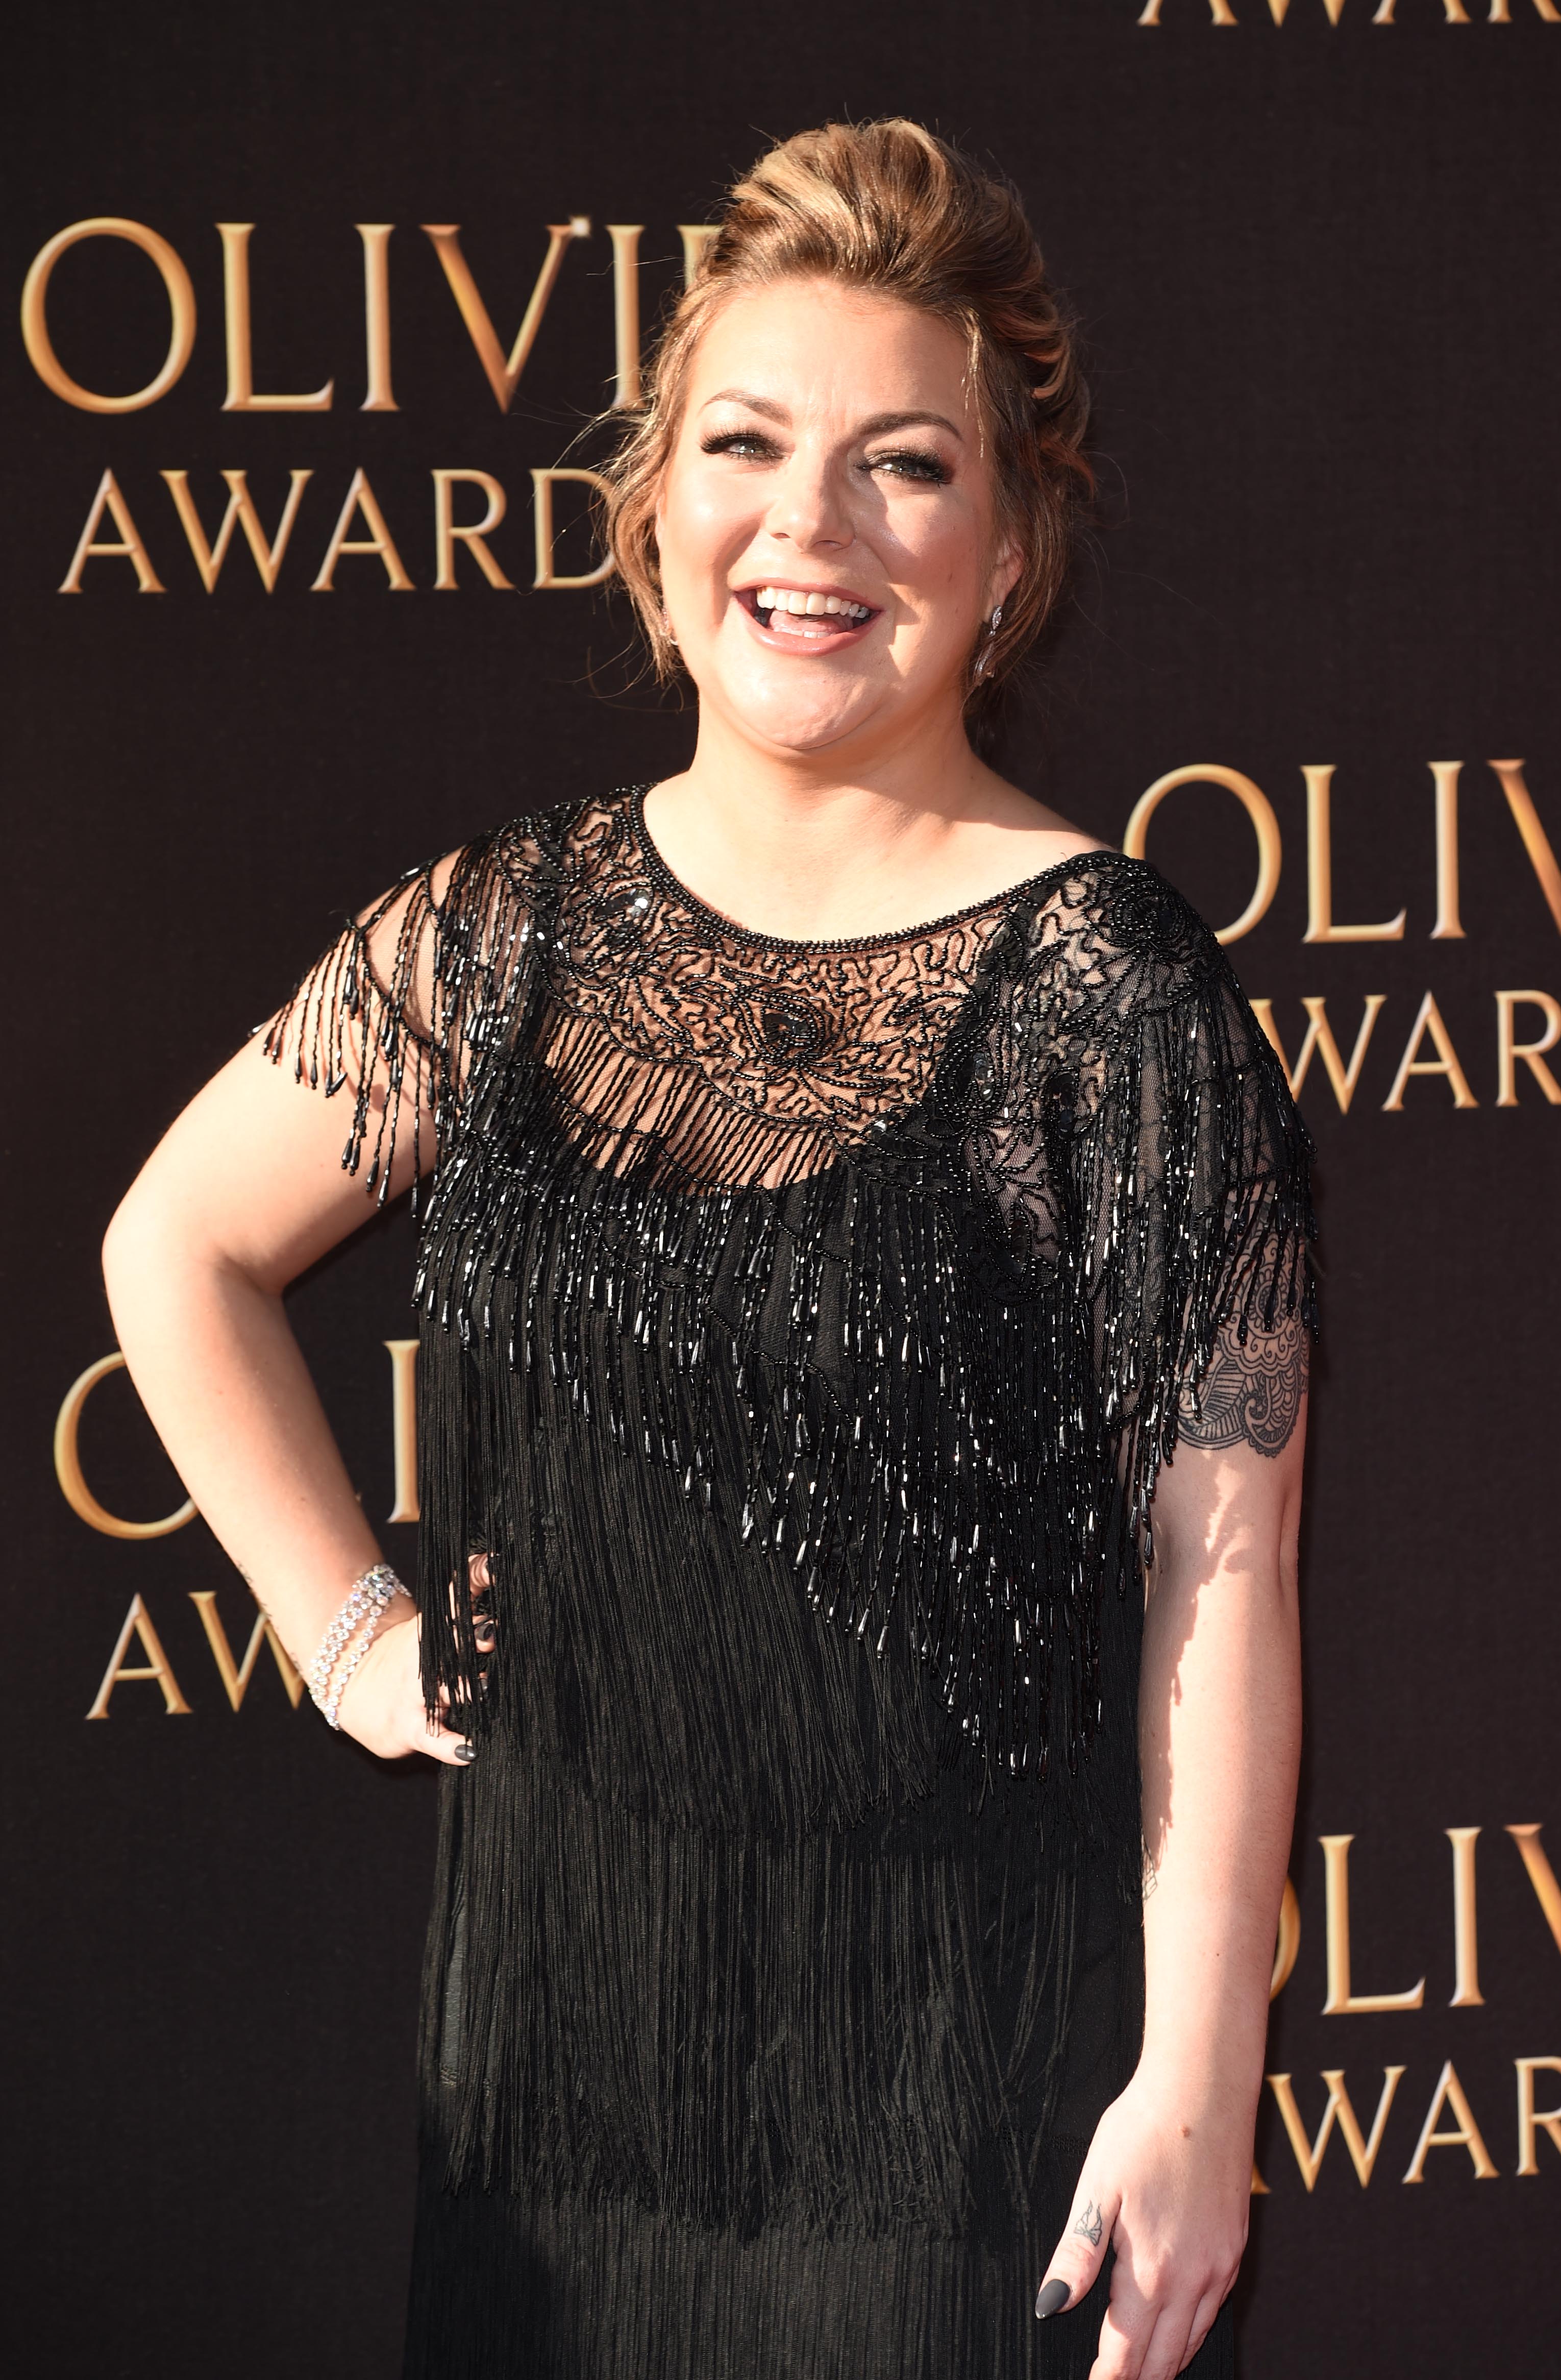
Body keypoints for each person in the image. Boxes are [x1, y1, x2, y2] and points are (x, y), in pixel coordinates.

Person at [104, 119, 1312, 2380]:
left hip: (970, 2103)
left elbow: (1220, 1570)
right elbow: (177, 1243)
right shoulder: (506, 934)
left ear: (1013, 541)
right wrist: (350, 1628)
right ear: (656, 500)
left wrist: (1198, 2084)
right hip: (558, 2082)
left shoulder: (1107, 987)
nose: (815, 528)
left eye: (907, 466)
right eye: (749, 444)